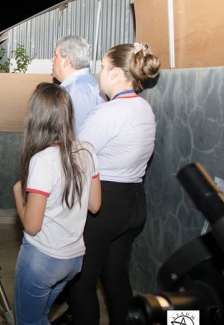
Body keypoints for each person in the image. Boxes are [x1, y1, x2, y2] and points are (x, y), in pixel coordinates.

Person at [68, 42, 161, 325]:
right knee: (116, 277)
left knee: (81, 281)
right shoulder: (144, 108)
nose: (99, 72)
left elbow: (76, 157)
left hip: (105, 205)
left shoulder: (110, 112)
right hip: (133, 203)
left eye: (103, 67)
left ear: (119, 73)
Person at [12, 82, 101, 325]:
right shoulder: (88, 151)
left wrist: (19, 193)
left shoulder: (43, 160)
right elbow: (95, 205)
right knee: (40, 318)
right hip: (73, 260)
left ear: (36, 118)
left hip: (42, 259)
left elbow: (31, 226)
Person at [49, 35, 104, 325]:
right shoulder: (85, 86)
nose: (53, 62)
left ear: (67, 60)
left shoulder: (77, 92)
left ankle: (76, 313)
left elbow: (78, 147)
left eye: (55, 56)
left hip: (78, 185)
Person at [51, 35, 104, 133]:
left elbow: (78, 138)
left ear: (66, 61)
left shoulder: (78, 90)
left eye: (56, 55)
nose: (52, 59)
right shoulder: (84, 83)